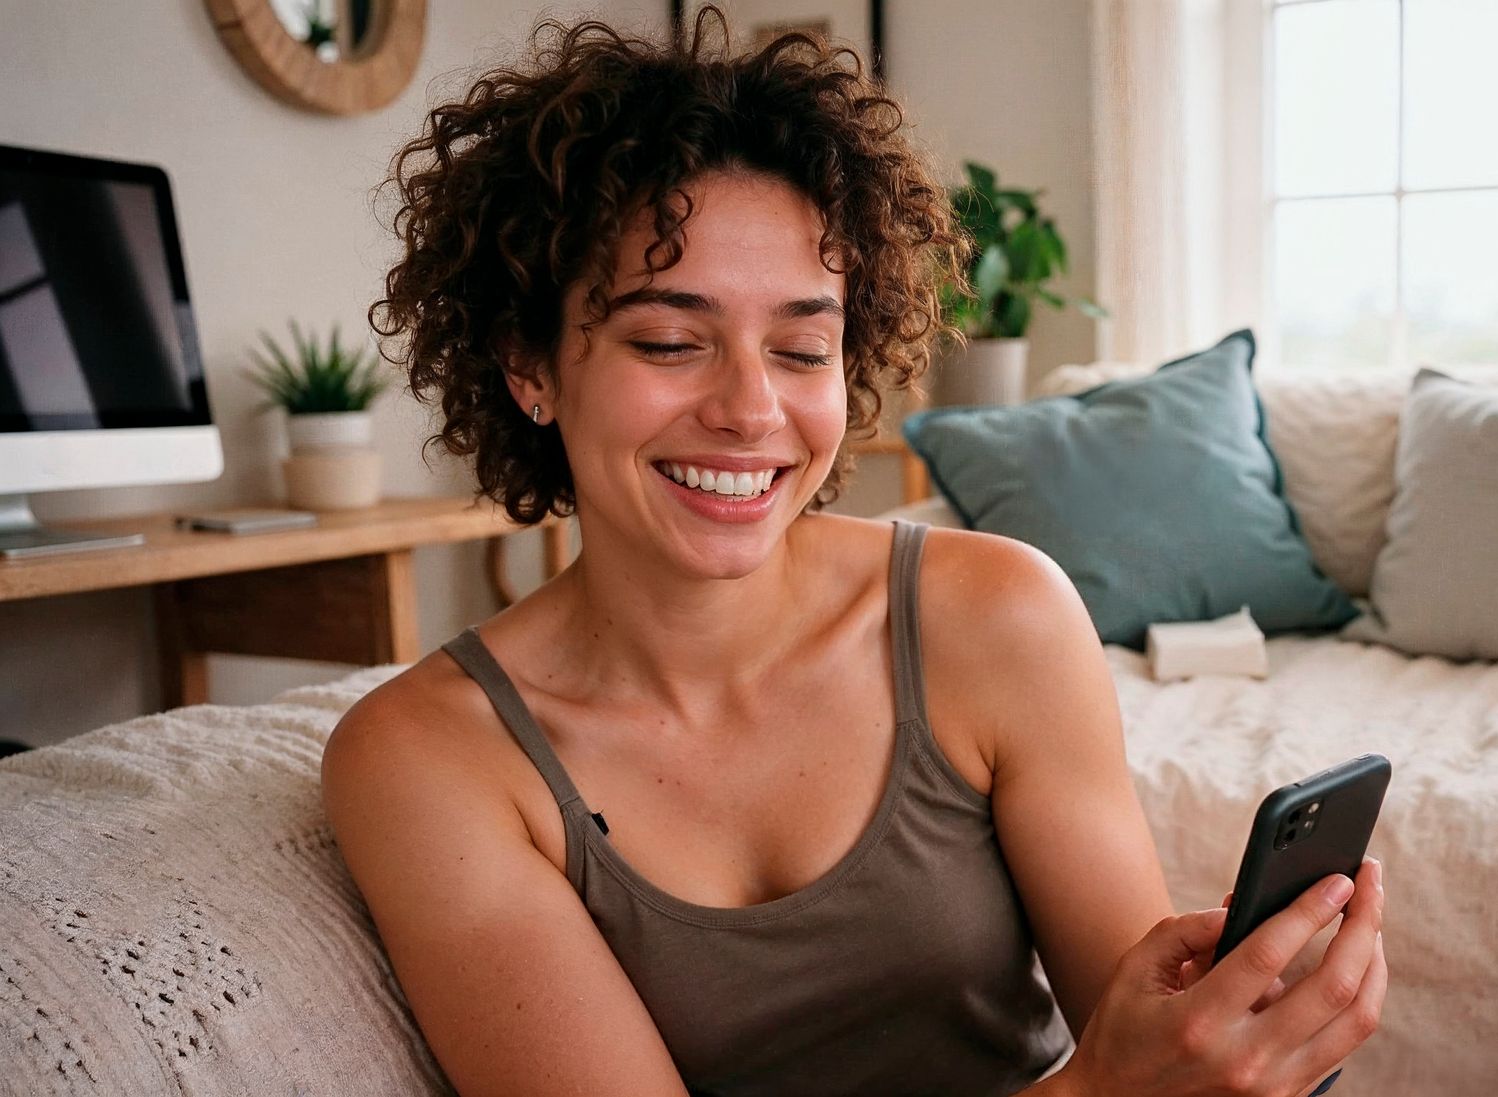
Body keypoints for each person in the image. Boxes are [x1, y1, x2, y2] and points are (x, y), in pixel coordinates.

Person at [320, 7, 1386, 1096]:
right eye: (670, 341)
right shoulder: (428, 759)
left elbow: (1137, 1034)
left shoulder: (995, 613)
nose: (751, 408)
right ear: (528, 365)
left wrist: (1235, 1051)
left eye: (802, 346)